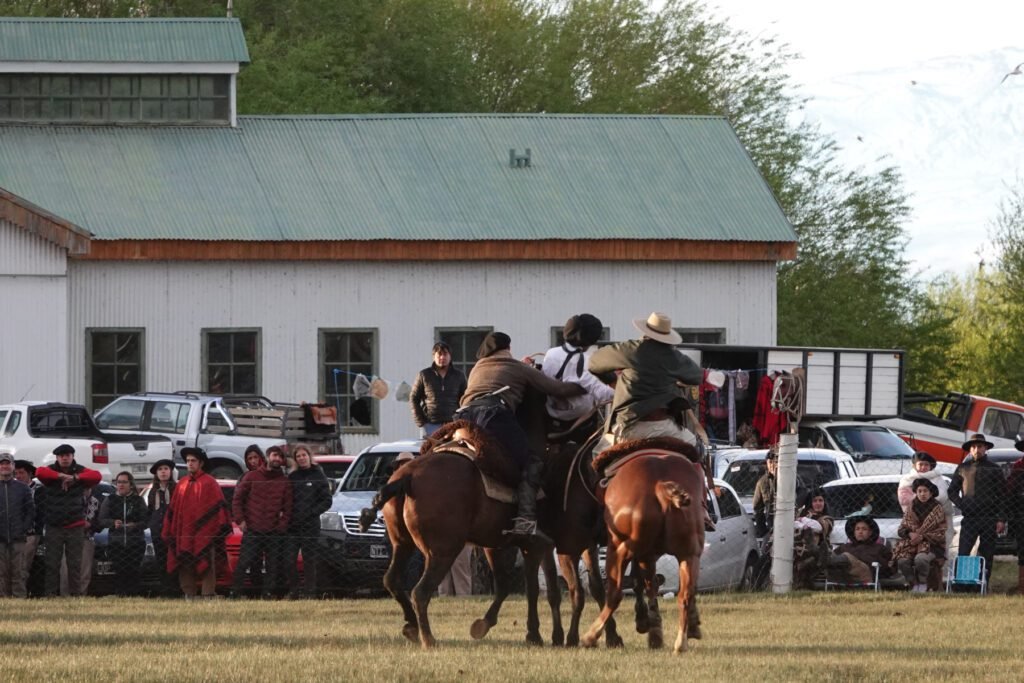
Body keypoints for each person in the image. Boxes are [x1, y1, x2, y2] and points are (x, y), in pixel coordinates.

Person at [456, 331, 586, 542]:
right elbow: (557, 389)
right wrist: (585, 384)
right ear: (507, 348)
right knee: (531, 461)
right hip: (493, 416)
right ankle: (525, 521)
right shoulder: (516, 367)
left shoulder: (477, 368)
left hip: (462, 418)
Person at [588, 312, 703, 447]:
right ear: (667, 336)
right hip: (663, 427)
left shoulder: (630, 349)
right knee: (695, 446)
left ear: (645, 331)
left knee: (598, 455)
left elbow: (594, 363)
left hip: (628, 427)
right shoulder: (674, 356)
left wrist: (613, 380)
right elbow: (696, 376)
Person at [162, 447, 231, 599]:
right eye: (187, 461)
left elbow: (218, 510)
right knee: (184, 562)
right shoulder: (182, 484)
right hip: (184, 533)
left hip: (205, 534)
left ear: (201, 463)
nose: (190, 464)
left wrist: (210, 530)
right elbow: (174, 510)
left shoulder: (210, 483)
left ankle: (208, 594)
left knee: (207, 562)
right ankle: (189, 594)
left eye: (193, 461)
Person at [35, 444, 101, 597]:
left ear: (73, 456)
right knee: (52, 563)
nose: (65, 458)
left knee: (74, 564)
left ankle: (75, 596)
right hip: (54, 526)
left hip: (75, 526)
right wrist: (61, 476)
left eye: (68, 455)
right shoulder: (50, 471)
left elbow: (97, 476)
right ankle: (50, 596)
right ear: (57, 458)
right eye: (62, 456)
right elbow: (39, 472)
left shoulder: (80, 471)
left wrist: (75, 478)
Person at [231, 444, 293, 598]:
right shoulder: (251, 477)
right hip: (252, 529)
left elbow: (288, 508)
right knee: (244, 562)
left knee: (272, 566)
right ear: (267, 457)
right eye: (274, 455)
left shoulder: (285, 482)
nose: (276, 458)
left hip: (274, 532)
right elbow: (237, 499)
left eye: (279, 456)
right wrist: (241, 521)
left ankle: (268, 594)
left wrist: (281, 526)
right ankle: (236, 592)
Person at [540, 313, 614, 436]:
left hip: (550, 413)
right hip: (578, 421)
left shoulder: (551, 353)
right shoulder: (586, 362)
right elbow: (604, 394)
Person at [948, 433, 1006, 583]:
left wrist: (1000, 518)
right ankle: (962, 583)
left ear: (985, 448)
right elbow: (952, 491)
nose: (976, 449)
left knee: (987, 552)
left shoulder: (994, 469)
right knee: (964, 551)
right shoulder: (962, 468)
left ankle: (983, 583)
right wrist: (962, 505)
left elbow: (1002, 495)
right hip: (970, 517)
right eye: (973, 447)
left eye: (980, 446)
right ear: (970, 449)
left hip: (989, 517)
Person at [286, 444, 332, 598]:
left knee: (309, 561)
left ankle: (310, 592)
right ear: (295, 459)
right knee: (289, 559)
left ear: (309, 456)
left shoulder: (318, 475)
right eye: (298, 456)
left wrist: (312, 513)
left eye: (304, 455)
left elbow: (327, 500)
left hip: (311, 525)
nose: (301, 458)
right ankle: (294, 590)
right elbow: (287, 500)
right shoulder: (292, 477)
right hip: (293, 526)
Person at [98, 471, 149, 596]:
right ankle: (120, 595)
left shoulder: (138, 500)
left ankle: (134, 595)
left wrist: (135, 525)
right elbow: (101, 520)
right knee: (119, 571)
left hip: (135, 542)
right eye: (118, 482)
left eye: (124, 482)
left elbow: (146, 521)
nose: (121, 485)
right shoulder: (110, 500)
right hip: (117, 542)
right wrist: (113, 523)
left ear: (130, 484)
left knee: (134, 571)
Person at [891, 478, 946, 593]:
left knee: (920, 559)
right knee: (902, 560)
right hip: (911, 544)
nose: (922, 494)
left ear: (931, 493)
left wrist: (922, 537)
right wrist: (910, 533)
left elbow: (941, 533)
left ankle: (923, 583)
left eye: (925, 491)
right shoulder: (910, 508)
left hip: (932, 546)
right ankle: (913, 583)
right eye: (919, 491)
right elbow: (901, 529)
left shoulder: (938, 509)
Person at [410, 341, 467, 437]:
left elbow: (465, 399)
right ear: (434, 356)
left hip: (453, 424)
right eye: (439, 354)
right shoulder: (424, 375)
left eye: (445, 354)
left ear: (450, 356)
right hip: (430, 424)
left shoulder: (459, 376)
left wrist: (462, 420)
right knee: (430, 451)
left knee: (452, 450)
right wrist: (421, 422)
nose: (442, 357)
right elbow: (413, 398)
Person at [897, 451, 953, 548]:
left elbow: (943, 496)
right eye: (920, 464)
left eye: (926, 464)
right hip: (914, 520)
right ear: (914, 466)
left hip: (936, 521)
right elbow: (904, 499)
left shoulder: (938, 478)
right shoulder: (907, 479)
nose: (923, 467)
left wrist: (917, 495)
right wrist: (928, 495)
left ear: (931, 466)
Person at [0, 451, 35, 598]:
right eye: (2, 463)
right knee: (1, 572)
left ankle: (19, 599)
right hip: (0, 539)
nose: (5, 466)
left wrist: (22, 529)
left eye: (8, 463)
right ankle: (3, 600)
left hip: (18, 538)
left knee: (19, 571)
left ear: (13, 466)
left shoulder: (23, 488)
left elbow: (31, 512)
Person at [826, 516, 892, 584]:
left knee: (846, 556)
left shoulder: (880, 548)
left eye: (864, 529)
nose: (860, 532)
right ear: (854, 532)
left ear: (870, 533)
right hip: (844, 575)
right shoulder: (844, 547)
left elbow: (889, 567)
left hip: (864, 574)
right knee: (831, 555)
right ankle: (818, 553)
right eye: (857, 529)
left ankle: (824, 558)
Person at [146, 458, 177, 595]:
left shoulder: (177, 489)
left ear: (171, 472)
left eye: (166, 469)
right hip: (157, 531)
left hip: (173, 531)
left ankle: (175, 589)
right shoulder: (153, 491)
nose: (163, 472)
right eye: (160, 469)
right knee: (160, 559)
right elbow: (151, 510)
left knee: (174, 560)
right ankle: (165, 589)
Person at [13, 459, 44, 594]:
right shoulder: (12, 490)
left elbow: (41, 513)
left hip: (31, 533)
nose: (18, 476)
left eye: (21, 473)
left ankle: (22, 592)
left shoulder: (39, 491)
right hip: (13, 533)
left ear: (30, 474)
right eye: (16, 473)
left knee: (23, 565)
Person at [1005, 438, 1024, 595]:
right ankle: (1022, 585)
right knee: (1022, 550)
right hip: (1020, 515)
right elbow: (1009, 492)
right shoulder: (1018, 467)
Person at [752, 450, 778, 538]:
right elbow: (757, 508)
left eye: (775, 462)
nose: (772, 465)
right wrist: (763, 530)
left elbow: (801, 494)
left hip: (791, 523)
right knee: (765, 549)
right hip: (772, 526)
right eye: (770, 462)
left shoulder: (792, 478)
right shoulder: (762, 482)